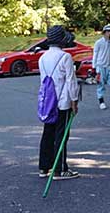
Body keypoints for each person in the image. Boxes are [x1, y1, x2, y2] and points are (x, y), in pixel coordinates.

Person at [38, 25, 80, 180]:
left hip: (48, 102)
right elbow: (71, 81)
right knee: (61, 135)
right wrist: (74, 101)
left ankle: (44, 167)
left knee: (47, 133)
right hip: (63, 102)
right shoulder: (65, 57)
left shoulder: (42, 58)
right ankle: (60, 169)